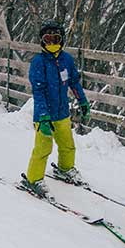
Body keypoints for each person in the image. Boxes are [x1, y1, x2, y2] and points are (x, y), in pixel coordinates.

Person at [21, 20, 91, 200]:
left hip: (62, 112)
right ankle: (33, 179)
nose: (52, 43)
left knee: (67, 144)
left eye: (56, 39)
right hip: (45, 115)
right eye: (48, 39)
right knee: (43, 148)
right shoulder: (38, 62)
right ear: (42, 41)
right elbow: (38, 91)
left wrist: (82, 101)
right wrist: (43, 117)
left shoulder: (66, 59)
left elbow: (74, 82)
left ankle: (65, 168)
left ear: (62, 40)